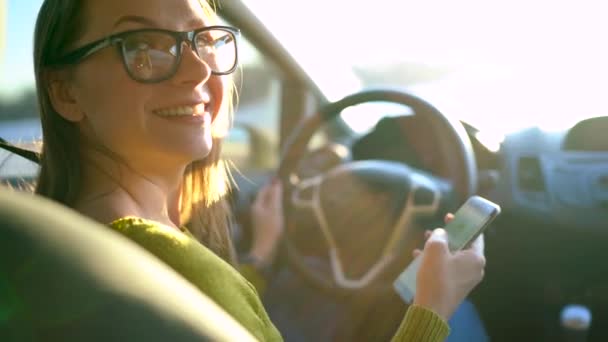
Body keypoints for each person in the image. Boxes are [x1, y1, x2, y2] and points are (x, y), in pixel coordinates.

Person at [31, 0, 486, 341]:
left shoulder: (65, 236)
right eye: (142, 47)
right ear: (64, 92)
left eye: (202, 39)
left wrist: (262, 254)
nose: (194, 69)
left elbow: (208, 314)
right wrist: (434, 306)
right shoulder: (159, 257)